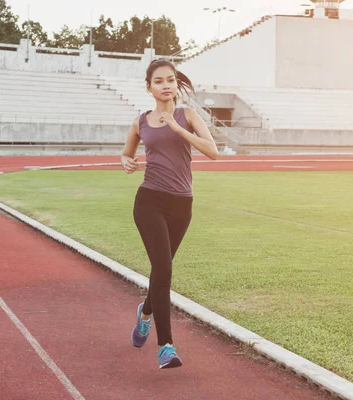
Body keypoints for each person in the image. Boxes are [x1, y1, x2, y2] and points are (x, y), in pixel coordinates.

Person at [120, 58, 218, 369]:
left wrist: (178, 128)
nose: (166, 85)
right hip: (149, 200)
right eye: (159, 81)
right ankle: (166, 347)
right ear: (149, 87)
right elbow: (127, 152)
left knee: (161, 271)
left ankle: (145, 314)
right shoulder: (141, 121)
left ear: (177, 84)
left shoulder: (188, 115)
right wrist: (126, 160)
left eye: (171, 80)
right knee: (163, 268)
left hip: (181, 204)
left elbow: (213, 151)